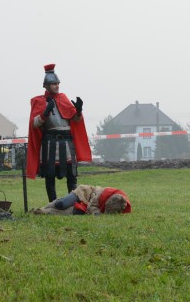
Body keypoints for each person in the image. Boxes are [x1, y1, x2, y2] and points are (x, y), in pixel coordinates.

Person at [27, 64, 92, 202]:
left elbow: (75, 119)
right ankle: (53, 204)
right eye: (53, 84)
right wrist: (45, 113)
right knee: (50, 175)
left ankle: (72, 202)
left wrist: (79, 111)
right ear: (46, 86)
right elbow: (34, 124)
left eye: (57, 83)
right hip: (50, 143)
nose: (57, 86)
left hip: (67, 142)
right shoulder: (39, 101)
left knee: (71, 174)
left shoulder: (64, 98)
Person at [31, 184, 132, 215]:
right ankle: (45, 207)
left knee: (72, 212)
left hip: (85, 207)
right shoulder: (105, 193)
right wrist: (97, 214)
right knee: (61, 204)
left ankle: (44, 211)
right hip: (83, 193)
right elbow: (92, 205)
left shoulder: (122, 204)